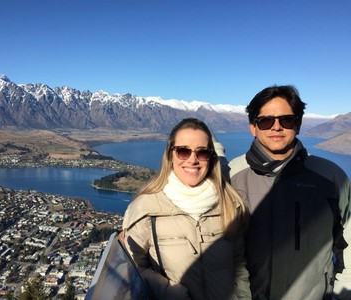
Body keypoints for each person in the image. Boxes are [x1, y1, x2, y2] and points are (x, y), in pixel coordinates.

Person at [228, 85, 351, 299]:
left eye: (287, 120)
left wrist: (342, 294)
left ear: (299, 124)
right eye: (266, 121)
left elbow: (348, 240)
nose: (276, 127)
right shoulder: (232, 176)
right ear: (253, 127)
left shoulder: (330, 177)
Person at [122, 118, 251, 299]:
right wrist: (169, 291)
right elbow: (133, 268)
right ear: (170, 155)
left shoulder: (229, 204)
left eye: (202, 153)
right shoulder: (146, 209)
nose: (193, 160)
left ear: (211, 157)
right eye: (183, 151)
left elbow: (238, 264)